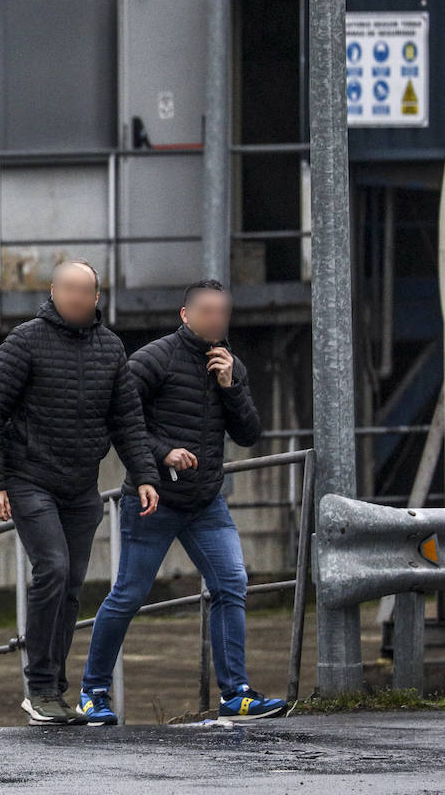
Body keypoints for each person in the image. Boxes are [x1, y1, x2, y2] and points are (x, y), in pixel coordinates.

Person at [77, 280, 283, 724]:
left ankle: (236, 693)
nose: (216, 320)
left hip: (206, 502)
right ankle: (92, 692)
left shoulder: (229, 364)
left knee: (231, 584)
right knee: (128, 594)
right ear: (185, 315)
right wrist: (163, 452)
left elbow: (249, 434)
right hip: (154, 498)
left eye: (223, 313)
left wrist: (230, 385)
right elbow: (119, 419)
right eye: (207, 312)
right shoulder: (154, 359)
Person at [0, 259, 160, 726]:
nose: (77, 298)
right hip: (29, 478)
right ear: (53, 293)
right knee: (52, 569)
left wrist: (145, 474)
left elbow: (127, 420)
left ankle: (54, 691)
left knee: (73, 585)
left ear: (96, 297)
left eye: (85, 291)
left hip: (80, 486)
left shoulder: (110, 347)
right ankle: (39, 688)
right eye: (68, 289)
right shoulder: (25, 341)